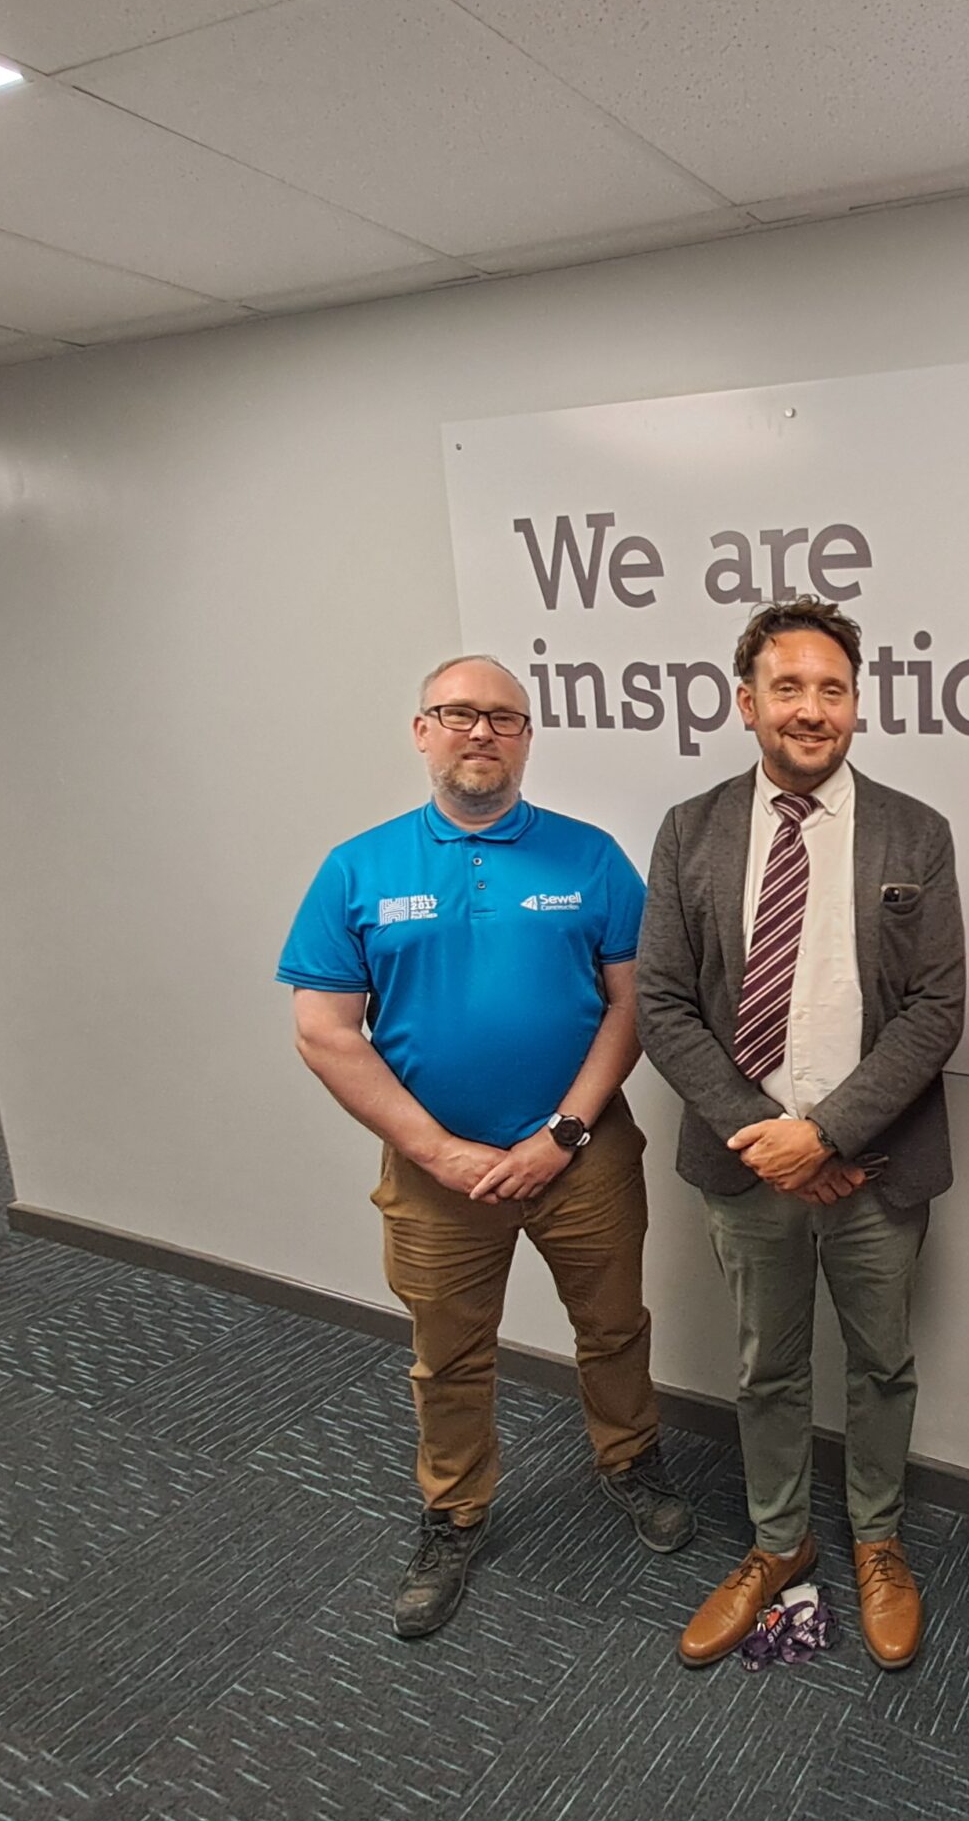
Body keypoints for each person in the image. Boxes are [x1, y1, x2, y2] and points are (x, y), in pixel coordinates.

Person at [278, 654, 695, 1640]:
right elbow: (325, 1031)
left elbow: (634, 1005)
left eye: (504, 718)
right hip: (437, 1176)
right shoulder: (358, 869)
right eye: (458, 714)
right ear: (421, 731)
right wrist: (438, 1151)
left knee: (615, 1325)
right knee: (449, 1354)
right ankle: (454, 1512)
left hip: (583, 1157)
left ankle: (630, 1460)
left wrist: (564, 1132)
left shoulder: (591, 857)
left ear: (527, 738)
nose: (481, 732)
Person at [635, 597, 966, 1672]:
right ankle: (780, 1541)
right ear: (747, 703)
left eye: (832, 689)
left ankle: (877, 1540)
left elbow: (936, 1011)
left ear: (857, 703)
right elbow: (663, 1006)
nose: (811, 709)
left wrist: (824, 1134)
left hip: (873, 1164)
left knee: (882, 1364)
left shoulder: (917, 831)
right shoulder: (689, 831)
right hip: (748, 1171)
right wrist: (764, 1136)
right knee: (765, 1369)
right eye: (788, 688)